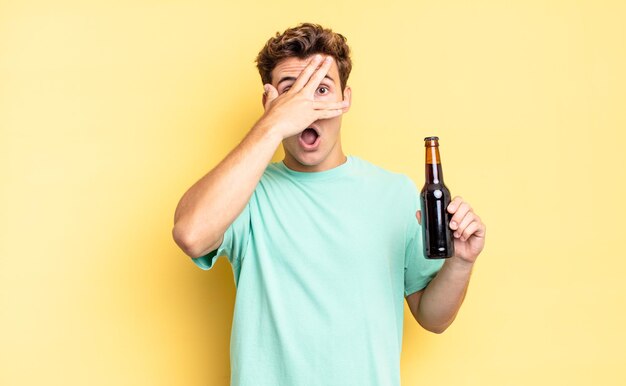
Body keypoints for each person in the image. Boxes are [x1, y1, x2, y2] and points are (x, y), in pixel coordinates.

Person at [172, 22, 486, 386]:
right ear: (269, 102)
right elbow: (190, 234)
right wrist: (272, 125)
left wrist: (461, 262)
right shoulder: (246, 194)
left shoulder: (395, 193)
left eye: (321, 90)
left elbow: (434, 318)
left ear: (346, 99)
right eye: (292, 93)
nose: (309, 109)